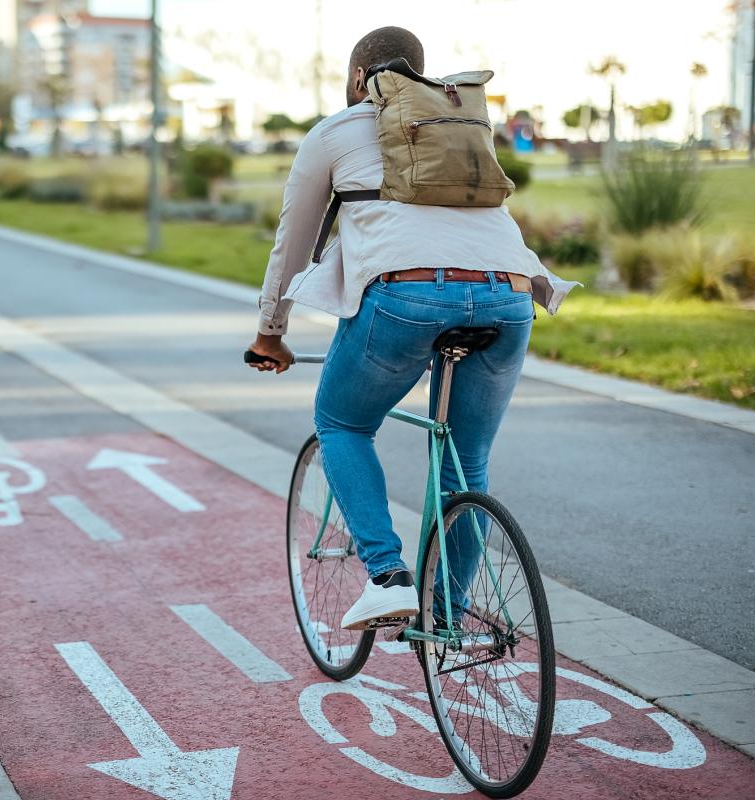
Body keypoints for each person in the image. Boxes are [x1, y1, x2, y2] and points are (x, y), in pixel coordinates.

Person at [246, 26, 575, 631]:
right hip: (509, 296)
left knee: (341, 421)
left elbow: (292, 243)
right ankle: (444, 621)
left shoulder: (335, 130)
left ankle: (388, 578)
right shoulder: (457, 124)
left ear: (357, 79)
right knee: (466, 463)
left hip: (406, 298)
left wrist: (270, 332)